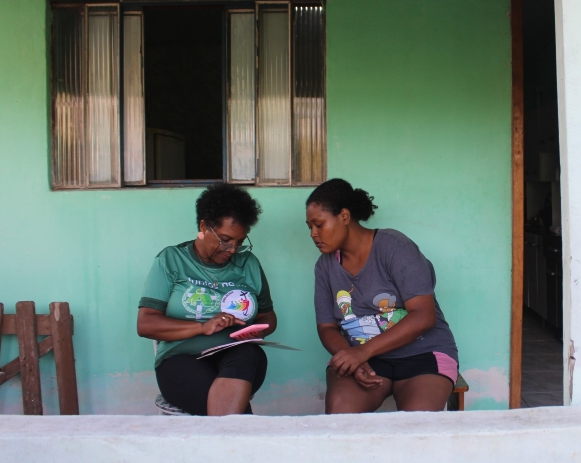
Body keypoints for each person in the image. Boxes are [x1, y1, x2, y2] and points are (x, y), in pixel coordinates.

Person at [306, 178, 459, 413]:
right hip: (364, 359)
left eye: (319, 224)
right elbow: (327, 327)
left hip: (422, 354)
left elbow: (424, 315)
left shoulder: (394, 247)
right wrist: (350, 357)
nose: (313, 234)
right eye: (310, 227)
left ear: (344, 216)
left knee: (418, 422)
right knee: (341, 415)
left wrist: (362, 351)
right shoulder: (325, 266)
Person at [137, 183, 277, 415]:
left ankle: (230, 433)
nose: (232, 250)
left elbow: (268, 317)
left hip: (237, 356)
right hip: (180, 357)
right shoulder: (171, 260)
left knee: (247, 356)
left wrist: (253, 332)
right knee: (226, 401)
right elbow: (146, 324)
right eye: (226, 239)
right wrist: (202, 327)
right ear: (204, 227)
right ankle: (239, 432)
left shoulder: (249, 264)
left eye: (240, 242)